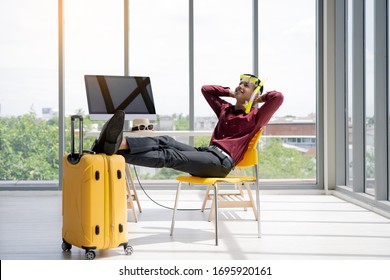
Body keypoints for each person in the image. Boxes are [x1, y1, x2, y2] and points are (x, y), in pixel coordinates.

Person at [91, 74, 284, 177]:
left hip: (221, 163)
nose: (240, 86)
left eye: (246, 85)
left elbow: (278, 97)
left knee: (169, 155)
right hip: (207, 153)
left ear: (254, 92)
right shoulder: (225, 109)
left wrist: (260, 97)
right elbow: (206, 90)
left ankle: (115, 147)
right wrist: (230, 93)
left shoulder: (256, 117)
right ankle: (119, 145)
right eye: (239, 83)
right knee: (166, 140)